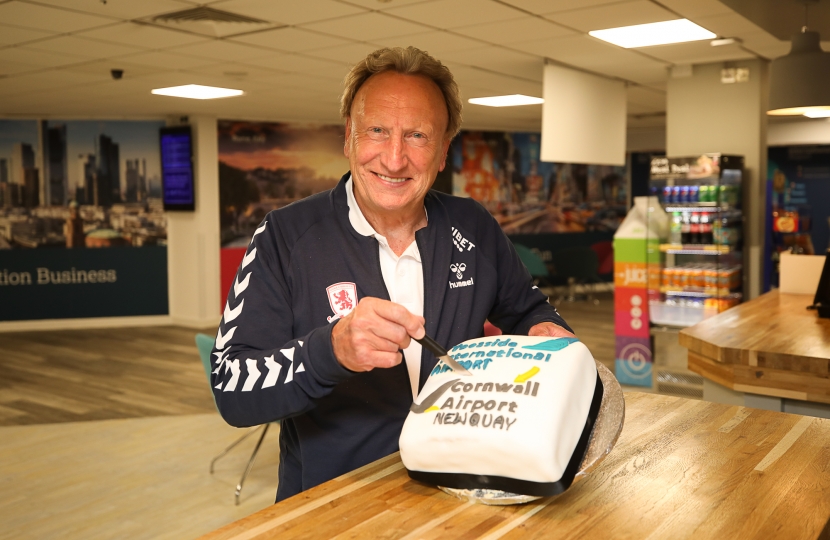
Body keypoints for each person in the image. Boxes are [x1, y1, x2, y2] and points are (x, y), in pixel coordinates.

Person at [211, 46, 575, 502]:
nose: (395, 158)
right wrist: (333, 350)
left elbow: (528, 309)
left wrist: (547, 332)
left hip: (462, 490)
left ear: (443, 152)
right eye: (377, 131)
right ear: (349, 139)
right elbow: (231, 385)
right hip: (336, 506)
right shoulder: (284, 235)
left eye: (418, 136)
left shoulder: (473, 224)